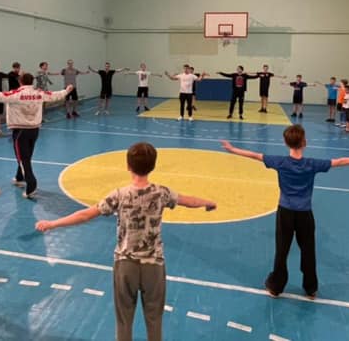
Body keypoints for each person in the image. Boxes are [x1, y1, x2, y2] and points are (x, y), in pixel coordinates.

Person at [35, 142, 216, 341]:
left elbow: (85, 214)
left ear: (128, 166)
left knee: (123, 321)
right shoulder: (161, 193)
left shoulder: (119, 195)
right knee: (154, 320)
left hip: (125, 265)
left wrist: (52, 223)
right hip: (154, 265)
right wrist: (207, 202)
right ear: (153, 166)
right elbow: (188, 201)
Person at [221, 127, 349, 298]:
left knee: (282, 250)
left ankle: (276, 287)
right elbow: (339, 161)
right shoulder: (312, 164)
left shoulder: (279, 162)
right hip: (305, 214)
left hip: (285, 212)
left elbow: (254, 155)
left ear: (285, 142)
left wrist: (232, 149)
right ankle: (311, 288)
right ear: (304, 142)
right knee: (308, 250)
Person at [0, 74, 73, 198]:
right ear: (31, 81)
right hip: (34, 130)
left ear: (20, 81)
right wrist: (67, 90)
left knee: (24, 159)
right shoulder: (39, 93)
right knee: (25, 157)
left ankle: (31, 186)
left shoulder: (15, 94)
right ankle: (19, 177)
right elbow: (55, 95)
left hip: (20, 132)